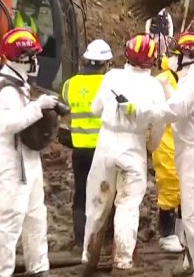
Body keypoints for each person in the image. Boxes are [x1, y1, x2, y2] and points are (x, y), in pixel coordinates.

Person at [123, 32, 194, 276]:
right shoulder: (190, 82)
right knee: (190, 214)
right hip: (190, 153)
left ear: (189, 57)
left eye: (176, 54)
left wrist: (140, 111)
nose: (171, 59)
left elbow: (172, 110)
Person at [82, 33, 166, 274]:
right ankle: (122, 262)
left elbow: (95, 108)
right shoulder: (154, 86)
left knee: (97, 203)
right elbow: (159, 122)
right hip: (134, 146)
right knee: (128, 206)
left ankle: (89, 258)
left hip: (106, 142)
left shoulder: (111, 77)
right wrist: (153, 146)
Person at [0, 28, 60, 277]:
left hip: (27, 155)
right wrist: (37, 108)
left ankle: (39, 267)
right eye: (31, 57)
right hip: (11, 156)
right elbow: (9, 124)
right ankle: (2, 272)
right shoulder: (4, 88)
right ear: (20, 58)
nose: (35, 62)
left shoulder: (19, 85)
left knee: (36, 214)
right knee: (11, 218)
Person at [61, 39, 113, 253]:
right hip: (103, 149)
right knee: (107, 194)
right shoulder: (109, 85)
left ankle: (80, 238)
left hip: (80, 149)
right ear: (106, 63)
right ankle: (107, 239)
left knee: (81, 192)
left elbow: (64, 106)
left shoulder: (70, 84)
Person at [151, 55, 184, 254]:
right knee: (170, 188)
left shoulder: (184, 80)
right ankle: (167, 234)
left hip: (181, 144)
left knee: (184, 190)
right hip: (166, 143)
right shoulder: (161, 82)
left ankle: (180, 232)